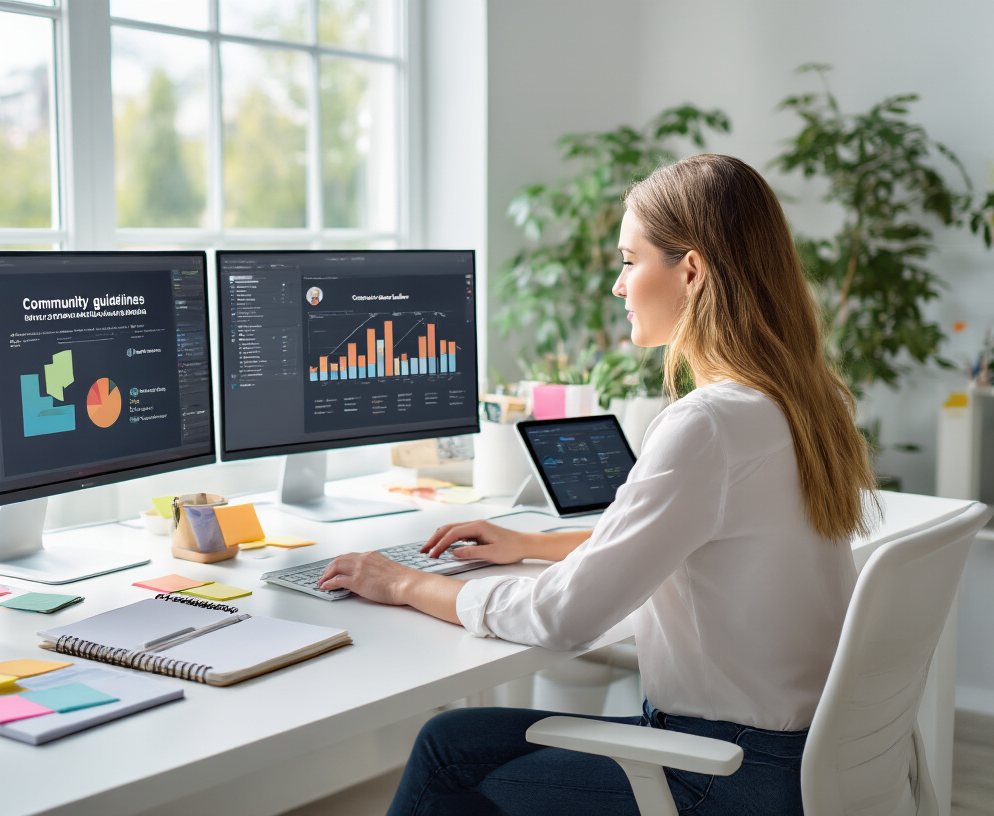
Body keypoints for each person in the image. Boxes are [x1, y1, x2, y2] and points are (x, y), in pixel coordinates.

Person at [316, 154, 879, 815]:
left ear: (690, 271)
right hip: (801, 760)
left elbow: (563, 618)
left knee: (450, 762)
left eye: (629, 260)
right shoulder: (802, 403)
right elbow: (700, 543)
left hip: (721, 775)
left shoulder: (708, 424)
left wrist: (404, 582)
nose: (618, 286)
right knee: (456, 739)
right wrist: (531, 546)